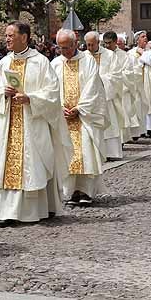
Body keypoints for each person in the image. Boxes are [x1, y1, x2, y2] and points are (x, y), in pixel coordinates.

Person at [0, 22, 72, 228]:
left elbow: (52, 93)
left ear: (24, 37)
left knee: (32, 165)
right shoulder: (4, 63)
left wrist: (30, 99)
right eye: (6, 36)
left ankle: (34, 211)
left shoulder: (40, 62)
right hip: (9, 124)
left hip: (32, 124)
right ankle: (7, 212)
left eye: (10, 35)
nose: (6, 39)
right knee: (6, 165)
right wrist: (2, 93)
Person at [50, 29, 107, 206]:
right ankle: (71, 191)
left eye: (67, 47)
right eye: (60, 48)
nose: (64, 51)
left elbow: (93, 88)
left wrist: (79, 108)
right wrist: (59, 108)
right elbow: (50, 89)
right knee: (67, 154)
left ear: (76, 44)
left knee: (86, 152)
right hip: (63, 117)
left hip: (84, 117)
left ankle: (85, 191)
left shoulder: (88, 61)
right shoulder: (55, 64)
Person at [84, 31, 125, 161]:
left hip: (107, 96)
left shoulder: (110, 55)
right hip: (89, 99)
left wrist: (99, 80)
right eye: (87, 45)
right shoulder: (83, 57)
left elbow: (116, 76)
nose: (90, 48)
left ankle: (111, 152)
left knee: (110, 125)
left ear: (98, 43)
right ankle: (94, 153)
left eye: (92, 45)